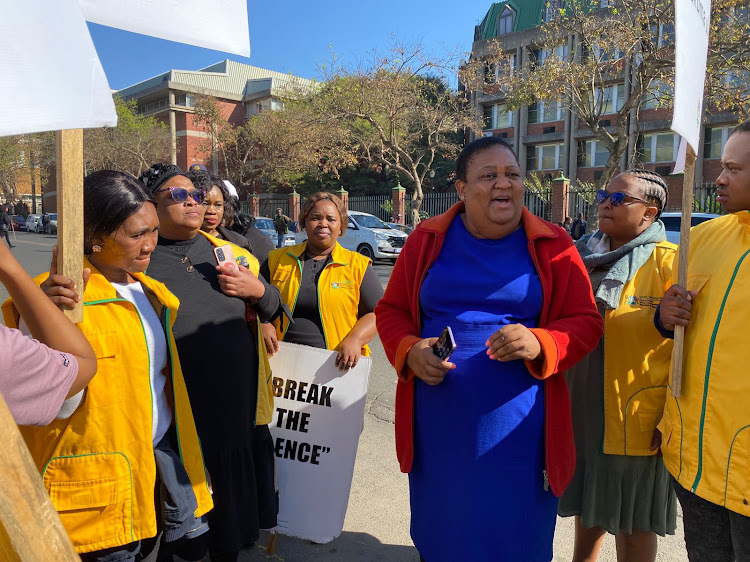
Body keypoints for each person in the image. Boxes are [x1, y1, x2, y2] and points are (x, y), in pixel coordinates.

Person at [375, 136, 603, 561]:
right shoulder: (425, 240)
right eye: (489, 175)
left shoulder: (555, 245)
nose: (504, 183)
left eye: (513, 175)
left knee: (517, 541)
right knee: (445, 537)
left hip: (523, 433)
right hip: (440, 430)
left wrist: (541, 341)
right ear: (461, 189)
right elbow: (390, 313)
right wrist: (409, 350)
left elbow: (586, 322)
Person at [4, 170, 213, 561]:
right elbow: (51, 400)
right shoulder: (60, 299)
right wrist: (40, 316)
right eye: (137, 235)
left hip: (155, 471)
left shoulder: (152, 294)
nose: (150, 243)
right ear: (95, 237)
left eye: (153, 230)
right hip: (92, 487)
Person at [139, 163, 282, 562]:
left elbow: (276, 310)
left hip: (235, 412)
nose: (193, 202)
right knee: (181, 538)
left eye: (197, 196)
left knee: (228, 533)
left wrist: (257, 290)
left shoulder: (230, 252)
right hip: (180, 418)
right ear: (151, 205)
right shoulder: (140, 260)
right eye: (178, 195)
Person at [557, 170, 677, 562]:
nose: (606, 203)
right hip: (580, 407)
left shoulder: (670, 265)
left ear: (649, 214)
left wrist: (672, 417)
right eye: (604, 194)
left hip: (636, 413)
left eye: (620, 198)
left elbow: (687, 353)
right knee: (588, 504)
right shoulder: (579, 255)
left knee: (634, 518)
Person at [656, 120, 750, 562]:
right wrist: (664, 315)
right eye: (721, 164)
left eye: (733, 168)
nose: (719, 177)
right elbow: (673, 326)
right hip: (693, 462)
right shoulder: (702, 238)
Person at [260, 192, 383, 370]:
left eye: (331, 219)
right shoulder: (276, 259)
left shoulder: (358, 265)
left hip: (335, 367)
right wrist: (262, 323)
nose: (323, 224)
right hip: (280, 362)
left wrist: (356, 339)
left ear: (341, 226)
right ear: (304, 223)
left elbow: (379, 312)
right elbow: (253, 299)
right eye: (315, 218)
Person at [0, 241, 96, 425]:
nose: (148, 245)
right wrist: (9, 268)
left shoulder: (153, 290)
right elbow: (75, 378)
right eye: (137, 235)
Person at [189, 169, 255, 256]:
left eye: (218, 205)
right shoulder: (175, 242)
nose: (212, 211)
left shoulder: (239, 243)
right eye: (205, 203)